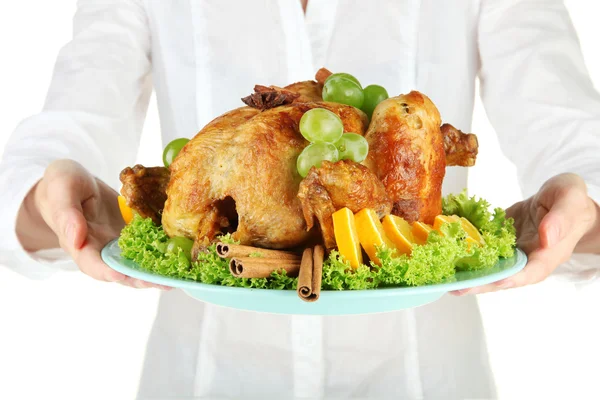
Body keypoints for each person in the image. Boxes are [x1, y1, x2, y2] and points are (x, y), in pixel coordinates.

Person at [2, 0, 600, 398]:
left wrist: (580, 206)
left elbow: (576, 140)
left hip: (426, 378)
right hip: (205, 379)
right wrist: (47, 200)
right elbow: (63, 132)